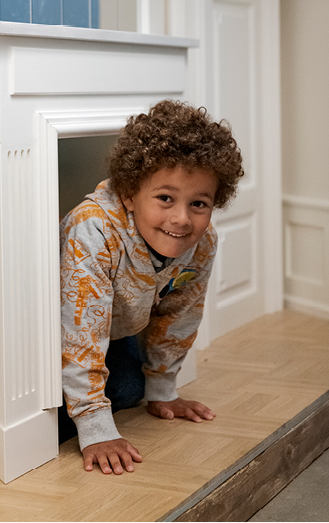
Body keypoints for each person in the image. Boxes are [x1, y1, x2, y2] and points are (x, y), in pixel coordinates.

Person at [59, 99, 244, 475]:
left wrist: (163, 391)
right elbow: (80, 331)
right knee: (92, 407)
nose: (182, 218)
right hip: (58, 330)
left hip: (116, 326)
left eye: (199, 203)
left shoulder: (203, 241)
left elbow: (180, 314)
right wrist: (95, 428)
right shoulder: (92, 229)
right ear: (129, 193)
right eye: (165, 198)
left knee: (130, 391)